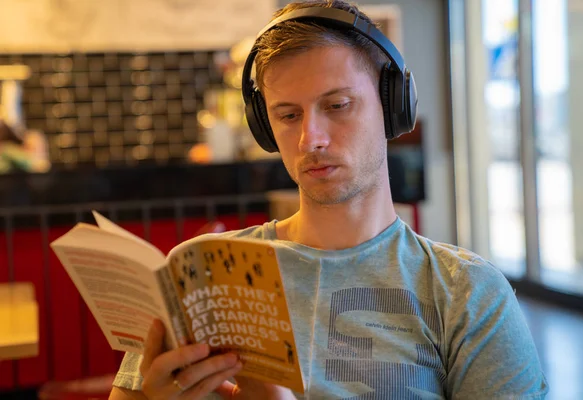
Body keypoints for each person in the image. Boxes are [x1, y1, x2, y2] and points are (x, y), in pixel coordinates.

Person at [109, 0, 549, 399]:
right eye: (288, 115)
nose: (310, 138)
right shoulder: (203, 276)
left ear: (393, 108)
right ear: (266, 129)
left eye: (337, 105)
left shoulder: (466, 294)